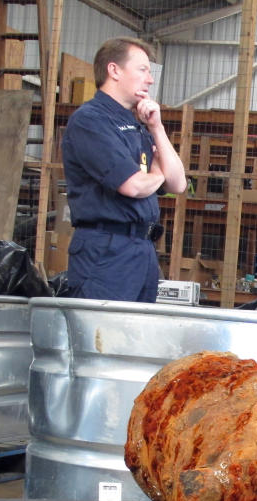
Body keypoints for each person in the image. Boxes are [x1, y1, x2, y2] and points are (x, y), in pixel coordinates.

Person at [61, 37, 187, 302]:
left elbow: (178, 184)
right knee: (103, 337)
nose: (150, 80)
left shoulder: (138, 123)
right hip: (106, 253)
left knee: (136, 339)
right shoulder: (91, 121)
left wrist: (157, 128)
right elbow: (133, 185)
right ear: (114, 70)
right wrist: (157, 173)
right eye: (143, 70)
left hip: (142, 250)